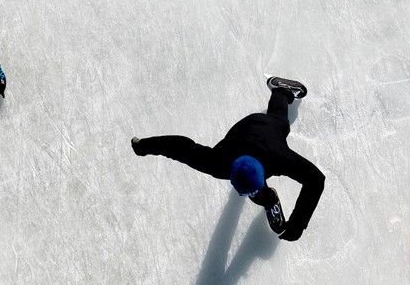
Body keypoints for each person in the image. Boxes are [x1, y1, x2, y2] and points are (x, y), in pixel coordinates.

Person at [131, 78, 324, 241]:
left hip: (269, 129)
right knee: (258, 190)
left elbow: (316, 180)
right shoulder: (217, 163)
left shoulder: (280, 158)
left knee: (280, 119)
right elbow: (182, 149)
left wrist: (298, 224)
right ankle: (268, 199)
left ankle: (281, 89)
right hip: (246, 128)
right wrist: (144, 145)